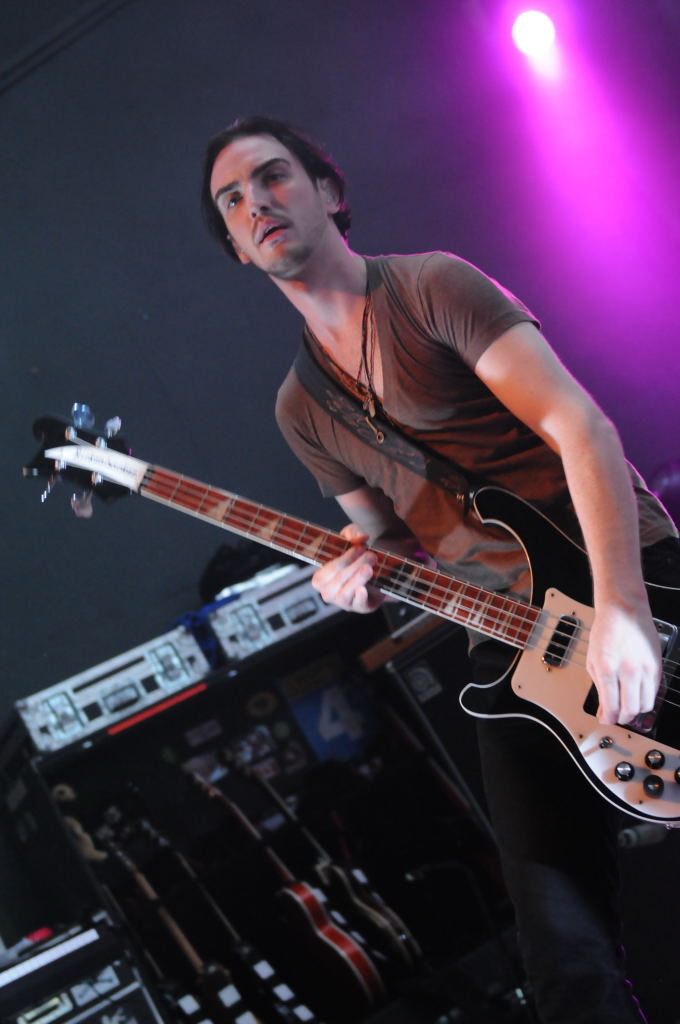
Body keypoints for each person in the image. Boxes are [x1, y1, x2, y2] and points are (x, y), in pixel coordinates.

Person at [200, 115, 680, 1023]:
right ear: (234, 245)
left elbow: (580, 427)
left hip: (625, 573)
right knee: (562, 953)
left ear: (327, 191)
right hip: (511, 648)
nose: (256, 202)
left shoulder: (430, 286)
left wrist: (623, 608)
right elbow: (383, 541)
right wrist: (352, 574)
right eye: (232, 200)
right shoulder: (300, 408)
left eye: (272, 176)